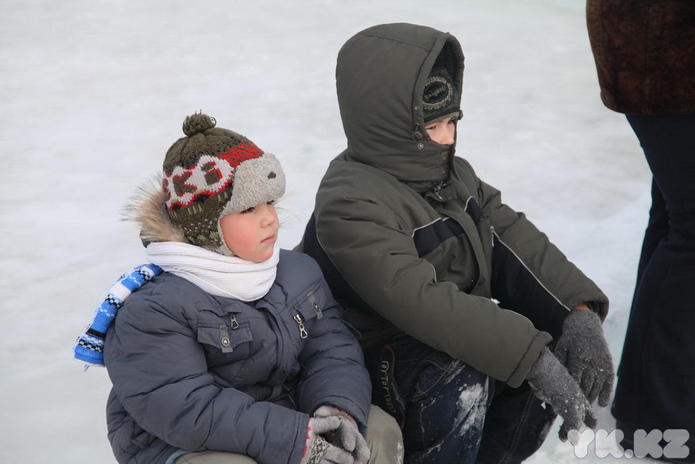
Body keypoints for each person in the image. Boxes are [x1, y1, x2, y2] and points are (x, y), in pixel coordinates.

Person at [296, 23, 614, 463]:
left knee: (531, 357)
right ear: (391, 126)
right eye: (433, 126)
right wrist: (530, 357)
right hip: (362, 358)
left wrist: (577, 314)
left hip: (436, 344)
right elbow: (422, 302)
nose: (447, 138)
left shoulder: (451, 175)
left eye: (451, 122)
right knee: (478, 368)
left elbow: (513, 242)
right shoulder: (348, 202)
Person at [73, 113, 403, 464]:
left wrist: (335, 409)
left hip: (283, 413)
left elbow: (332, 350)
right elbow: (186, 410)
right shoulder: (154, 309)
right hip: (186, 443)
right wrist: (294, 439)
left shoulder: (297, 272)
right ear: (207, 226)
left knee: (376, 434)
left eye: (270, 203)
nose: (269, 219)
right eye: (248, 208)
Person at [587, 1, 695, 461]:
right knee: (690, 228)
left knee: (676, 216)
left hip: (668, 49)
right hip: (663, 48)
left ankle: (655, 399)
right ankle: (657, 416)